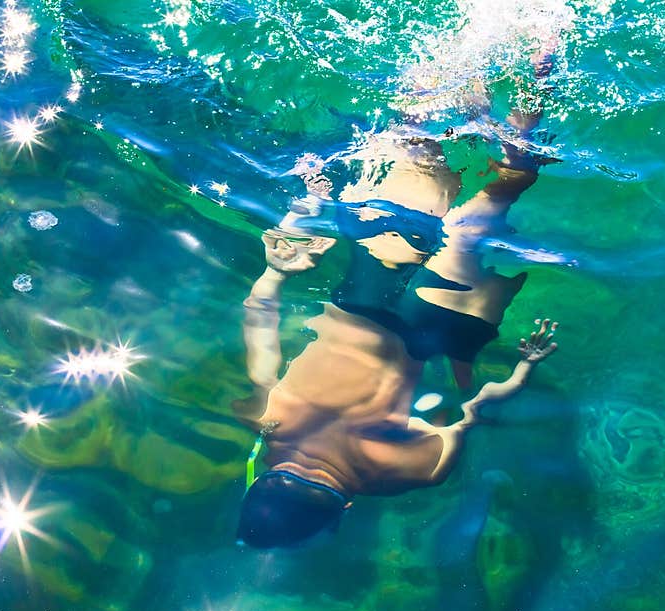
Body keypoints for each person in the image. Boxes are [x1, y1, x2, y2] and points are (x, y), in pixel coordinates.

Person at [236, 44, 561, 550]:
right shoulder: (268, 421)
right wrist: (275, 272)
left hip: (431, 326)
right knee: (415, 134)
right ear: (257, 477)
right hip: (362, 298)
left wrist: (524, 369)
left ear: (340, 510)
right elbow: (258, 312)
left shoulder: (408, 471)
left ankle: (544, 55)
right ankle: (481, 43)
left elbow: (474, 409)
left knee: (505, 182)